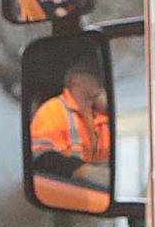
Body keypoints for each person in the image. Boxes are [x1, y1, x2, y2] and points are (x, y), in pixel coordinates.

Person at [28, 62, 112, 214]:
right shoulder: (52, 111)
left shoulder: (103, 115)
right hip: (72, 195)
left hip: (101, 194)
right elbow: (42, 158)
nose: (100, 80)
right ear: (77, 80)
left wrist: (111, 106)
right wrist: (85, 172)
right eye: (93, 75)